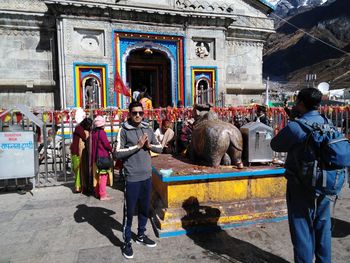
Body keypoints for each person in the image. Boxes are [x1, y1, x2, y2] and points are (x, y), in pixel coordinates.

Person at [270, 88, 332, 263]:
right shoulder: (327, 122)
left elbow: (276, 144)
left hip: (301, 184)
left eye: (297, 102)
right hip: (325, 182)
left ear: (302, 104)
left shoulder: (297, 126)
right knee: (323, 225)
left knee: (302, 227)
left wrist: (292, 123)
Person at [114, 101, 162, 259]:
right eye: (134, 113)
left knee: (144, 209)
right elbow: (117, 153)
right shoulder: (124, 130)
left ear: (144, 113)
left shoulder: (147, 128)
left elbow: (160, 148)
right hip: (132, 177)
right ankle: (127, 241)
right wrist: (137, 146)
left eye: (140, 113)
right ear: (129, 113)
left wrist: (148, 146)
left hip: (147, 176)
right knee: (129, 212)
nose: (137, 116)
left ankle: (141, 235)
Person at [91, 115, 113, 201]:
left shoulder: (93, 133)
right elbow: (106, 144)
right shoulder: (102, 133)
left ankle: (97, 192)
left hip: (95, 157)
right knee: (104, 175)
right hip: (103, 157)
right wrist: (111, 149)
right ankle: (103, 194)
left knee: (96, 175)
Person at [70, 117, 93, 193]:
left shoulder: (83, 128)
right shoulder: (79, 128)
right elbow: (84, 136)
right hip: (76, 151)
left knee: (83, 169)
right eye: (89, 126)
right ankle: (78, 187)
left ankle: (83, 186)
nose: (90, 127)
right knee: (78, 169)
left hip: (83, 152)